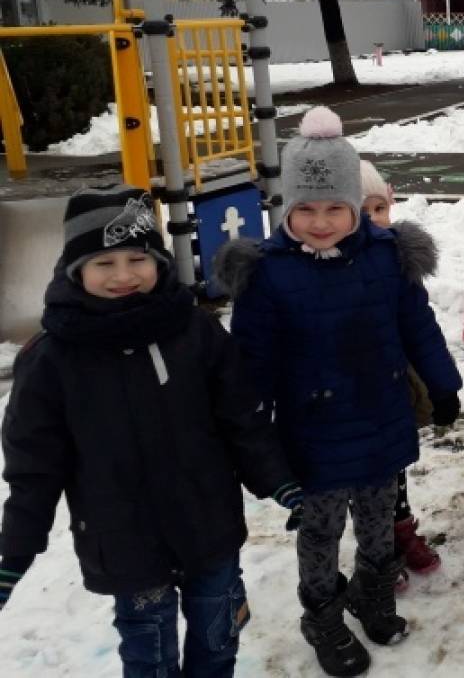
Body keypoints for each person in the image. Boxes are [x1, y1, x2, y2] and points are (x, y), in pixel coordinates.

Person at [0, 185, 302, 677]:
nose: (123, 275)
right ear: (75, 270)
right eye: (104, 263)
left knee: (218, 640)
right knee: (150, 657)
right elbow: (34, 469)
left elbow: (242, 419)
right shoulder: (52, 360)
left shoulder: (195, 332)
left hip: (209, 530)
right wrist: (16, 550)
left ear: (158, 261)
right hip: (126, 546)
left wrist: (280, 482)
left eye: (137, 259)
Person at [217, 107, 462, 678]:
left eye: (335, 208)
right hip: (312, 435)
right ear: (286, 209)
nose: (321, 222)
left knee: (378, 520)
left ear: (356, 205)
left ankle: (373, 594)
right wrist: (246, 426)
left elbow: (417, 327)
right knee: (320, 531)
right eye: (306, 209)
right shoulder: (268, 274)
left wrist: (443, 386)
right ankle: (322, 614)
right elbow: (251, 361)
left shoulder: (386, 257)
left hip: (380, 420)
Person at [359, 161, 442, 592]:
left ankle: (401, 527)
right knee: (368, 475)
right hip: (357, 388)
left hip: (397, 380)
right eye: (362, 211)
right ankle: (378, 546)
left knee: (397, 463)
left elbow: (417, 323)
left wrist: (436, 379)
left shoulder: (398, 259)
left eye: (380, 208)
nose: (374, 219)